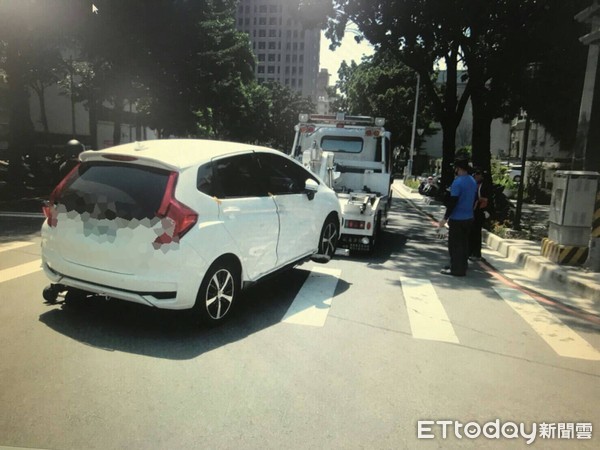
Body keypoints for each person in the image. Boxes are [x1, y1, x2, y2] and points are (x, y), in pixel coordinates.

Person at [438, 159, 478, 276]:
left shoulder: (458, 182)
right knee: (464, 244)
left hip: (457, 218)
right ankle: (461, 266)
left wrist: (445, 218)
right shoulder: (472, 181)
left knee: (455, 245)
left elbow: (453, 201)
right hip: (469, 217)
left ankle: (456, 269)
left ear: (458, 169)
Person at [468, 168, 491, 261]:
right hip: (472, 211)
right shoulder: (474, 184)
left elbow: (487, 199)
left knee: (476, 232)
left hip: (480, 211)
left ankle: (476, 253)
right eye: (475, 174)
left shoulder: (485, 186)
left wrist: (486, 210)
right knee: (471, 232)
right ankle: (470, 252)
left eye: (478, 174)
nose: (476, 176)